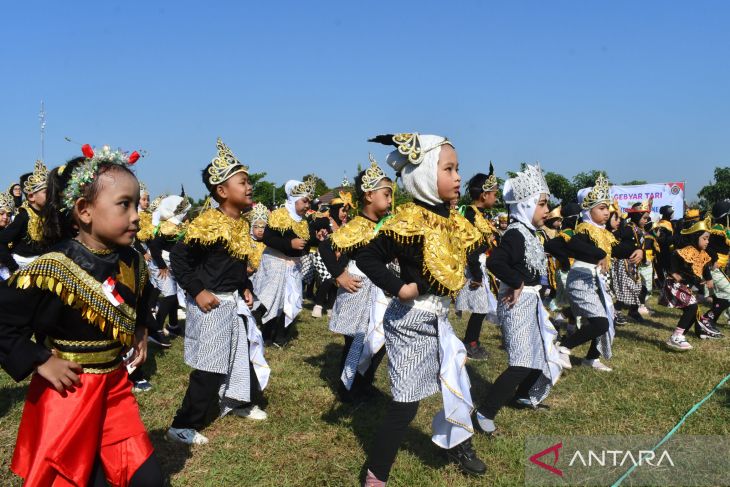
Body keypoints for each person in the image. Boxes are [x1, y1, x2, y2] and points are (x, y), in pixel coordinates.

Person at [0, 144, 163, 486]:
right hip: (69, 392)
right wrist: (39, 360)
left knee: (145, 476)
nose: (136, 215)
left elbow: (141, 298)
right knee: (76, 477)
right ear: (84, 210)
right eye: (124, 205)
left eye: (136, 204)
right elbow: (4, 322)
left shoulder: (132, 260)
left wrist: (141, 329)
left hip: (115, 387)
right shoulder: (52, 269)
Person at [359, 133, 486, 483]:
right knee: (405, 403)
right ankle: (376, 473)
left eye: (458, 168)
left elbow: (468, 255)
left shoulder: (456, 219)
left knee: (456, 384)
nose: (458, 176)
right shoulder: (409, 220)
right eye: (449, 169)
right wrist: (399, 287)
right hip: (410, 321)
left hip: (439, 318)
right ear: (426, 174)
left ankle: (458, 444)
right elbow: (367, 256)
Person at [167, 138, 270, 445]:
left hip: (233, 302)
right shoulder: (208, 222)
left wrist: (245, 286)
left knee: (241, 355)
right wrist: (197, 291)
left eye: (249, 181)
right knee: (209, 367)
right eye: (242, 182)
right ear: (222, 191)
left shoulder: (241, 223)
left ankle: (238, 401)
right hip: (210, 304)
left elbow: (235, 265)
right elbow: (179, 258)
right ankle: (182, 424)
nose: (249, 186)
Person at [473, 164, 563, 436]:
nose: (546, 210)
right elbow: (496, 262)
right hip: (517, 303)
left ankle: (522, 395)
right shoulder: (514, 233)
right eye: (542, 204)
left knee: (539, 355)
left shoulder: (528, 232)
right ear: (524, 205)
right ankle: (484, 412)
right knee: (522, 361)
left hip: (530, 302)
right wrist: (517, 282)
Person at [319, 155, 393, 402]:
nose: (391, 199)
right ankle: (347, 389)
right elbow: (326, 248)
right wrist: (339, 275)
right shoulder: (356, 226)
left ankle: (363, 383)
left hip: (378, 292)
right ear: (369, 195)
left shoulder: (384, 225)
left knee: (377, 340)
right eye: (387, 194)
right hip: (358, 290)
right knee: (355, 342)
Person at [550, 175, 623, 372]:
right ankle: (564, 347)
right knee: (600, 322)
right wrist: (597, 253)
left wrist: (637, 250)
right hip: (581, 279)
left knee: (603, 320)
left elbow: (616, 250)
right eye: (601, 208)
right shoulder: (582, 230)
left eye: (607, 208)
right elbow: (571, 245)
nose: (607, 212)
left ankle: (591, 358)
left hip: (596, 280)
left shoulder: (605, 233)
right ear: (588, 210)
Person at [254, 178, 315, 346]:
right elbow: (267, 238)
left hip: (293, 266)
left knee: (289, 302)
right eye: (305, 201)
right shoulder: (279, 215)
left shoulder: (303, 221)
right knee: (272, 301)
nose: (307, 205)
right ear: (294, 199)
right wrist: (290, 244)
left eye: (309, 201)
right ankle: (267, 336)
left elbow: (306, 243)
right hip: (275, 264)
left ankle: (280, 337)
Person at [454, 165, 500, 360]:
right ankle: (470, 343)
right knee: (480, 308)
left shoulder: (479, 215)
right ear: (484, 195)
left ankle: (472, 341)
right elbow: (470, 246)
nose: (495, 198)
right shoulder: (470, 215)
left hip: (479, 266)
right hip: (473, 268)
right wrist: (477, 274)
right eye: (494, 194)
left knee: (482, 307)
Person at [660, 217, 718, 349]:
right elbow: (673, 256)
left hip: (684, 285)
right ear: (695, 236)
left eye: (708, 238)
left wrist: (708, 279)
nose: (707, 241)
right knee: (692, 308)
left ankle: (678, 336)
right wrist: (673, 272)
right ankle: (677, 336)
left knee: (693, 310)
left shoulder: (702, 253)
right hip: (674, 284)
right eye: (704, 238)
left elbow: (704, 267)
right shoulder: (686, 251)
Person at [0, 160, 49, 272]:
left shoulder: (49, 215)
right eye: (46, 192)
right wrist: (14, 267)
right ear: (31, 196)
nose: (51, 195)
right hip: (21, 268)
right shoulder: (23, 216)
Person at [700, 200, 730, 331]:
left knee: (721, 296)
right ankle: (707, 319)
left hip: (720, 268)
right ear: (725, 215)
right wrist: (715, 259)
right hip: (714, 268)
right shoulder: (717, 229)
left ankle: (711, 320)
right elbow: (708, 247)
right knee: (728, 294)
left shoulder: (724, 229)